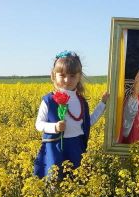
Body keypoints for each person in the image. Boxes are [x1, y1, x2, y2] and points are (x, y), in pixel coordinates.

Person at [34, 50, 109, 179]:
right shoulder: (49, 100)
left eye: (72, 75)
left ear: (79, 77)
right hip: (55, 147)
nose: (67, 80)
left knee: (77, 179)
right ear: (54, 76)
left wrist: (103, 104)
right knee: (54, 180)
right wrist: (55, 127)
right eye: (62, 75)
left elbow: (88, 122)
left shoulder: (81, 101)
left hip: (76, 146)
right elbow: (39, 124)